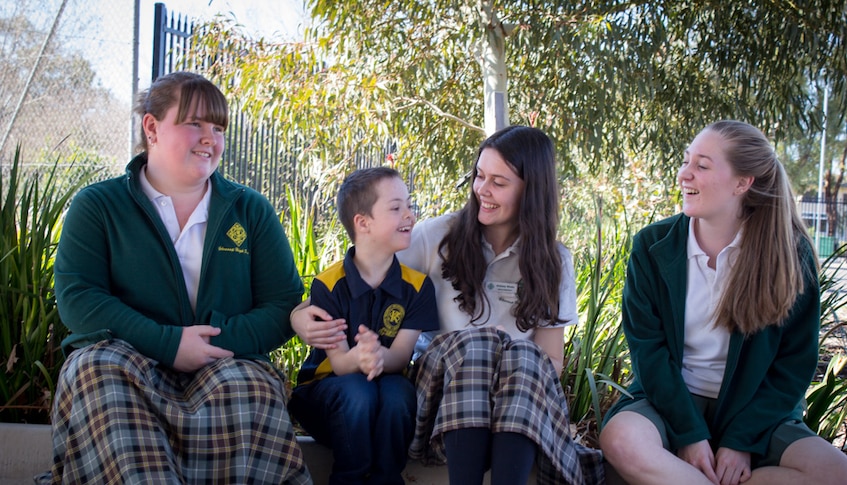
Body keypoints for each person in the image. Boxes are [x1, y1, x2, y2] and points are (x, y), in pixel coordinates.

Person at [37, 71, 311, 484]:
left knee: (248, 384)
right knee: (95, 368)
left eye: (218, 128)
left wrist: (210, 342)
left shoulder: (250, 210)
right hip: (127, 359)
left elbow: (282, 304)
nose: (210, 138)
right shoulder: (98, 205)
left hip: (223, 360)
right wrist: (168, 343)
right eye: (194, 123)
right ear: (152, 127)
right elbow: (79, 299)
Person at [292, 125, 605, 485]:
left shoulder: (555, 261)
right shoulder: (437, 237)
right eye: (479, 176)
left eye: (498, 183)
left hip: (516, 405)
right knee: (475, 345)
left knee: (517, 353)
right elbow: (359, 275)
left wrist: (503, 357)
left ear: (531, 190)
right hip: (440, 401)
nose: (482, 190)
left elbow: (551, 360)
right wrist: (299, 315)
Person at [599, 120, 847, 485]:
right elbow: (649, 353)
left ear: (742, 183)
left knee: (844, 477)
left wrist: (740, 441)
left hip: (754, 413)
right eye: (687, 160)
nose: (684, 174)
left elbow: (793, 366)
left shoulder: (789, 254)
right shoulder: (652, 246)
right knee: (622, 439)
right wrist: (689, 433)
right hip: (670, 403)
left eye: (702, 166)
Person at [288, 167, 439, 484]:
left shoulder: (417, 287)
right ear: (363, 223)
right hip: (326, 398)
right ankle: (349, 478)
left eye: (409, 205)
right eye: (396, 208)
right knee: (359, 390)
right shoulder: (328, 285)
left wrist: (380, 357)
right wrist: (360, 357)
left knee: (399, 393)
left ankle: (387, 478)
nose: (410, 215)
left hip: (384, 393)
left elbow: (400, 356)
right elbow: (341, 364)